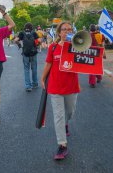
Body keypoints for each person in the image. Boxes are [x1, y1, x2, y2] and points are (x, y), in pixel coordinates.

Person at [40, 21, 80, 160]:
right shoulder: (53, 47)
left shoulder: (76, 47)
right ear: (59, 32)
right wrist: (43, 78)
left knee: (70, 112)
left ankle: (66, 124)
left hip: (71, 86)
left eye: (70, 29)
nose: (67, 32)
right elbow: (48, 63)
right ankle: (62, 145)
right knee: (58, 116)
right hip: (55, 86)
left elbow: (88, 59)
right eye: (64, 29)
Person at [14, 23, 39, 92]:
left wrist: (20, 45)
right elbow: (39, 41)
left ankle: (28, 86)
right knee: (34, 69)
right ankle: (35, 83)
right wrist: (37, 46)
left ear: (24, 27)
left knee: (26, 69)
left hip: (25, 54)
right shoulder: (34, 33)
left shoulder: (22, 33)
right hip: (33, 53)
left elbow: (15, 40)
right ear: (32, 27)